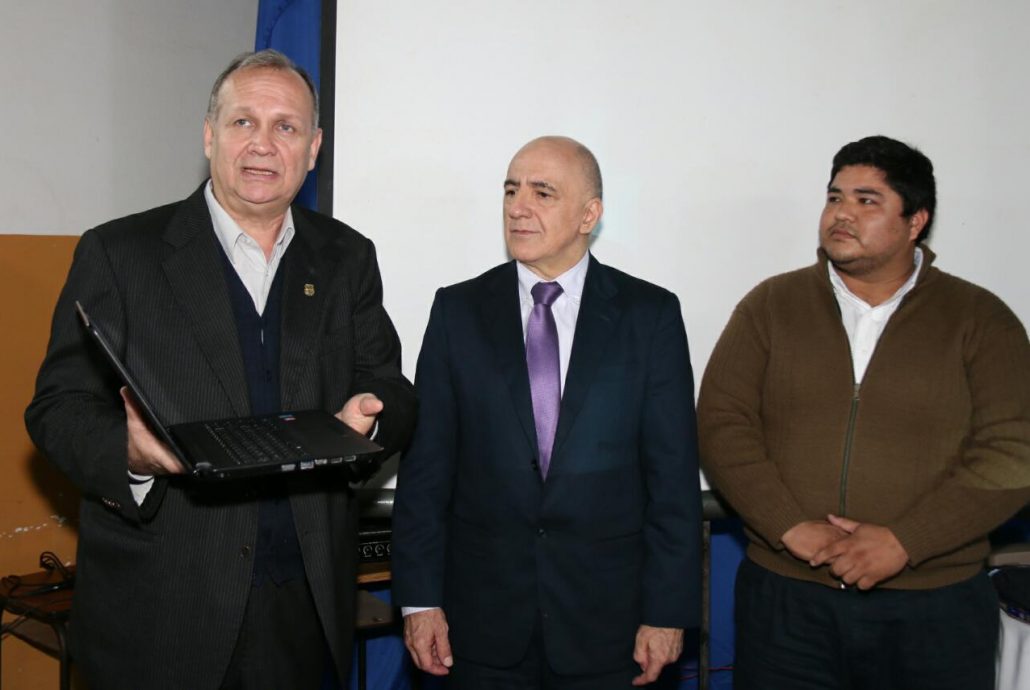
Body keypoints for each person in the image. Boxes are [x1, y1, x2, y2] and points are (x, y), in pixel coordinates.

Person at [24, 50, 416, 690]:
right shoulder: (119, 253)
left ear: (313, 149)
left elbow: (390, 385)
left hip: (305, 612)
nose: (263, 143)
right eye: (243, 122)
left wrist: (367, 422)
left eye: (286, 126)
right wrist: (129, 452)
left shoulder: (347, 256)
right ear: (209, 136)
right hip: (160, 616)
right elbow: (58, 407)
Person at [698, 135, 1030, 690]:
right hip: (787, 602)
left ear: (915, 220)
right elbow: (722, 423)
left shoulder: (980, 318)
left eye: (866, 200)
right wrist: (788, 526)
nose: (842, 214)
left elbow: (1014, 451)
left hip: (935, 606)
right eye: (835, 197)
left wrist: (906, 541)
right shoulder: (771, 305)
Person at [391, 135, 702, 689]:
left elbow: (672, 479)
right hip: (479, 626)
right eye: (511, 190)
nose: (518, 207)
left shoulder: (649, 315)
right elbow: (426, 471)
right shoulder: (458, 311)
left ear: (589, 215)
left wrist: (667, 610)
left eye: (542, 192)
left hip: (609, 626)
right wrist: (419, 601)